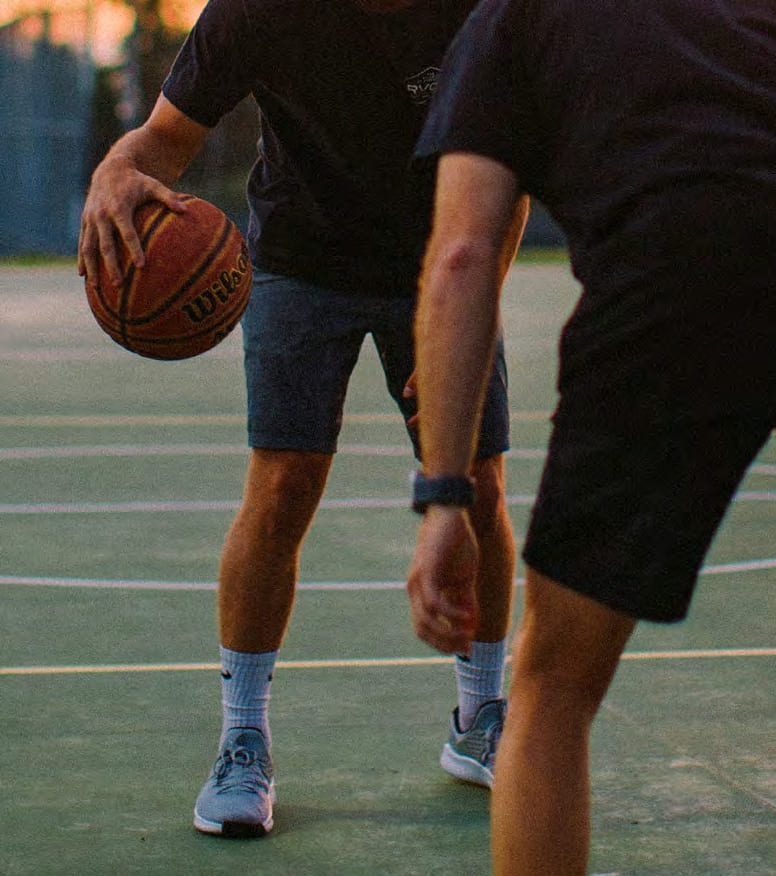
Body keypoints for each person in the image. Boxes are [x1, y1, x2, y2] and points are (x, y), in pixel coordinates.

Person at [405, 0, 776, 872]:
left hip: (677, 280)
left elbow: (461, 255)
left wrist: (445, 495)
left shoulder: (511, 21)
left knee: (553, 686)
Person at [78, 0, 528, 839]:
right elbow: (163, 141)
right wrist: (116, 167)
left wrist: (466, 319)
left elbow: (510, 177)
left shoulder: (477, 13)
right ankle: (242, 738)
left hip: (443, 257)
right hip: (299, 258)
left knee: (478, 483)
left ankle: (482, 720)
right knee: (284, 483)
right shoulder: (258, 9)